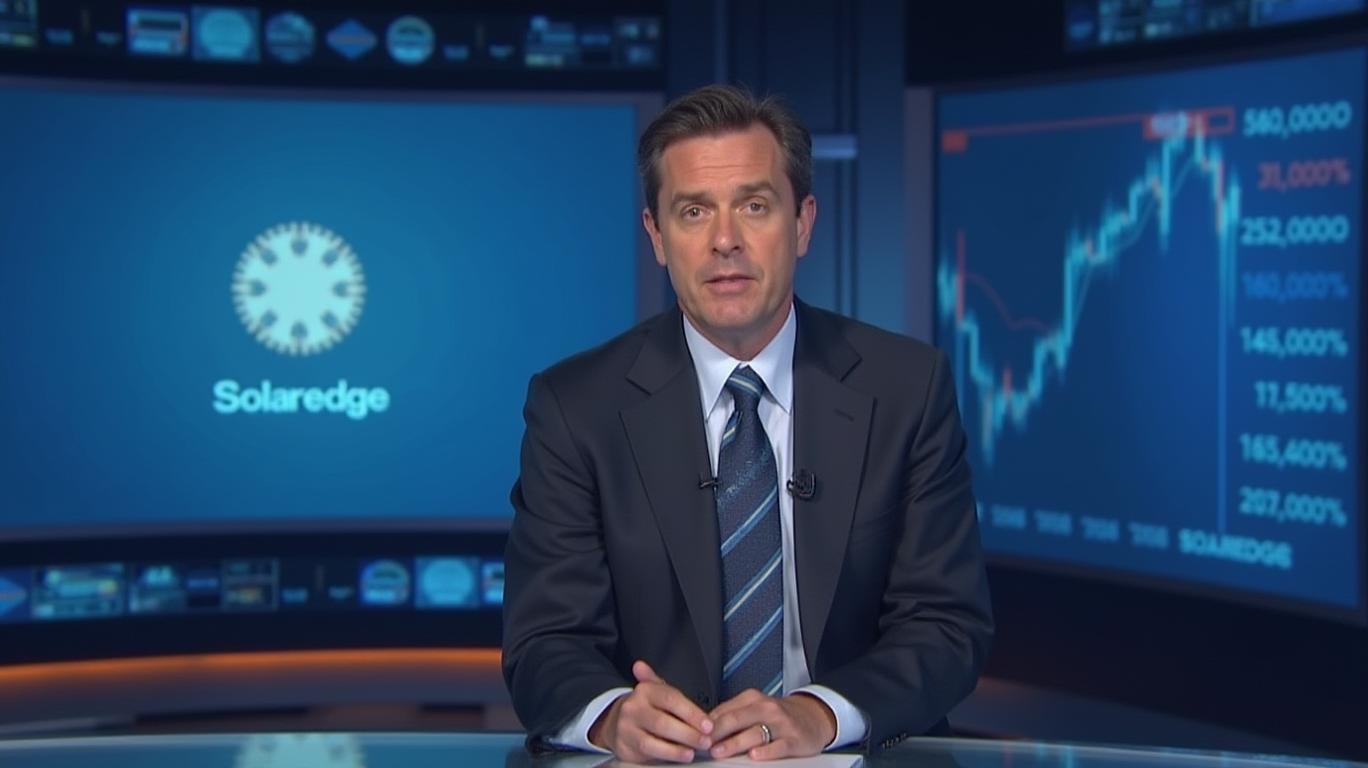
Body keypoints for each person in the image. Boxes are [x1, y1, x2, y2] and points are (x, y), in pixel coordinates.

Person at [502, 84, 993, 762]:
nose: (724, 241)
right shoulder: (575, 407)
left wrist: (821, 714)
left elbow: (946, 625)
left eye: (754, 206)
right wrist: (612, 717)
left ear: (803, 223)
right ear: (657, 236)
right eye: (693, 211)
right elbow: (544, 643)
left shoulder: (907, 388)